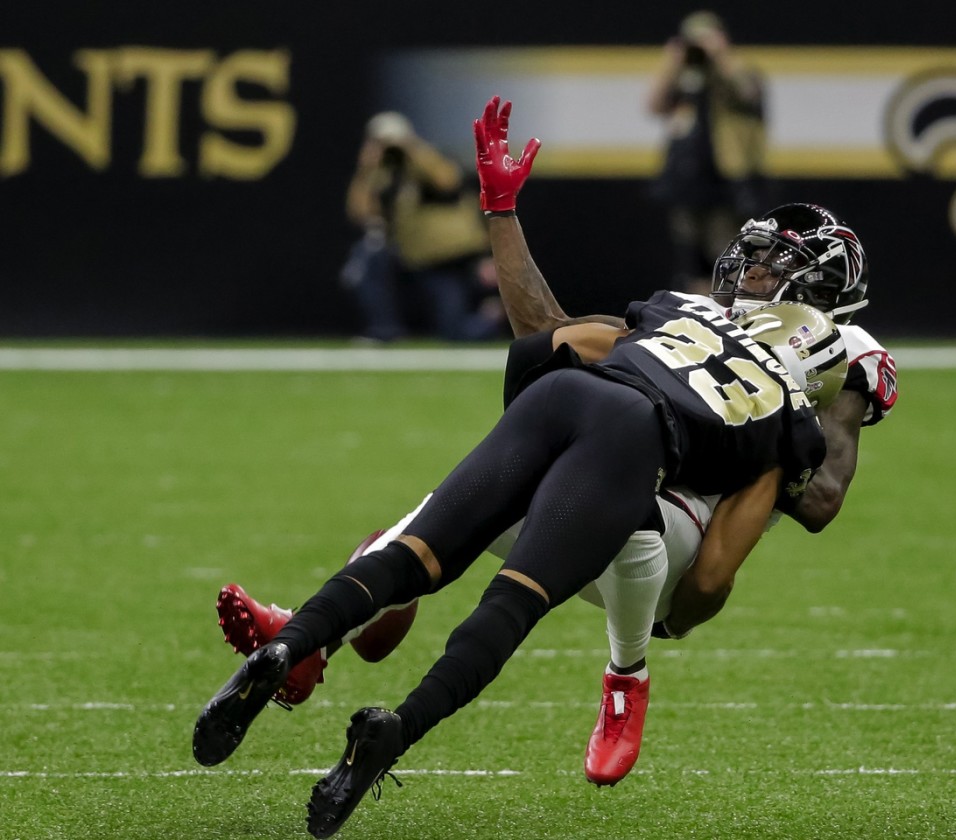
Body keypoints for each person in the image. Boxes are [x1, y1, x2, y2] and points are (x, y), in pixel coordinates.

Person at [207, 98, 898, 795]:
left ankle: (626, 677)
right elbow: (555, 333)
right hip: (619, 460)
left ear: (816, 289)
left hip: (686, 521)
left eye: (768, 265)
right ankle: (307, 642)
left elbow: (822, 497)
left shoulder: (841, 350)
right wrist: (502, 212)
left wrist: (776, 432)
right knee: (445, 518)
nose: (746, 273)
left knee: (629, 528)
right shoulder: (694, 313)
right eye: (750, 258)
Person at [340, 111, 507, 342]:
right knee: (368, 259)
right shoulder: (384, 174)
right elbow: (360, 212)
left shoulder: (429, 160)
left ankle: (491, 317)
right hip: (411, 254)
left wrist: (411, 150)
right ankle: (384, 329)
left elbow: (448, 181)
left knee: (454, 333)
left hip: (444, 255)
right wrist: (367, 169)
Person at [647, 10, 768, 294]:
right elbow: (655, 105)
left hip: (728, 179)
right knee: (692, 259)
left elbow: (748, 93)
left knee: (730, 255)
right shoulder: (686, 76)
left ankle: (735, 313)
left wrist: (719, 56)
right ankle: (701, 318)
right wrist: (673, 63)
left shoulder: (739, 70)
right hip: (688, 179)